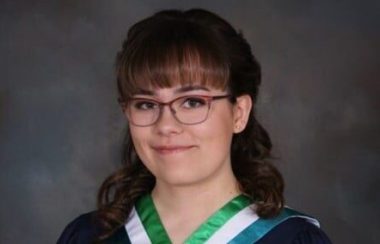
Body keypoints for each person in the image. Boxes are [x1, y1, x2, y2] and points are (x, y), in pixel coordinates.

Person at [57, 8, 332, 244]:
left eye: (192, 102)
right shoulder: (88, 237)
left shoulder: (291, 240)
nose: (166, 125)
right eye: (146, 104)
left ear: (239, 112)